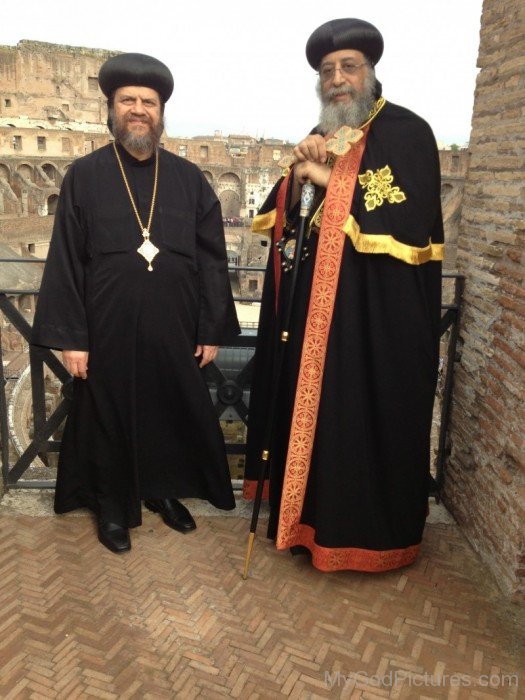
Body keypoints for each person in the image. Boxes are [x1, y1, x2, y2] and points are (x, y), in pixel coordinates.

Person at [244, 19, 444, 572]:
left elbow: (403, 213)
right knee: (321, 425)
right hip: (318, 323)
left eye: (348, 67)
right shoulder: (327, 133)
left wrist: (327, 178)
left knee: (360, 425)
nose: (337, 79)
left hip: (376, 324)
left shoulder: (408, 131)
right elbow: (280, 216)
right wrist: (297, 171)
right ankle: (308, 528)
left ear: (370, 72)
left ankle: (368, 540)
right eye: (327, 71)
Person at [32, 53, 240, 553]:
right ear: (112, 109)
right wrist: (72, 339)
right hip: (106, 328)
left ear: (161, 113)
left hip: (175, 326)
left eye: (149, 102)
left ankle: (162, 491)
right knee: (108, 417)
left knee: (167, 411)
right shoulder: (84, 176)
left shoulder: (191, 180)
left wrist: (211, 327)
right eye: (128, 100)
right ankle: (111, 507)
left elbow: (213, 259)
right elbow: (64, 259)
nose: (139, 109)